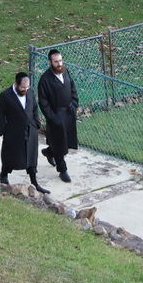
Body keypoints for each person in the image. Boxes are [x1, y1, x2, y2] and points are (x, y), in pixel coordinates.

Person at [0, 72, 50, 193]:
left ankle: (34, 182)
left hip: (31, 130)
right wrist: (4, 131)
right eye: (22, 87)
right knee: (11, 155)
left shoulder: (30, 92)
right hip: (13, 132)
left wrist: (36, 123)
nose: (25, 89)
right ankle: (4, 175)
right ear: (16, 84)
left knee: (31, 156)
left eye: (27, 87)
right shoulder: (5, 96)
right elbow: (1, 115)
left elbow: (35, 108)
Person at [36, 49, 79, 183]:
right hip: (56, 116)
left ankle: (49, 152)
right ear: (50, 62)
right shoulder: (45, 80)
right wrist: (52, 118)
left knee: (64, 141)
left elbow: (72, 88)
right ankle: (62, 170)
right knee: (59, 143)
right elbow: (43, 102)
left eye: (60, 60)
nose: (59, 64)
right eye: (56, 62)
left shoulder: (66, 72)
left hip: (68, 113)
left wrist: (74, 103)